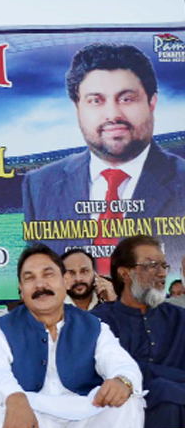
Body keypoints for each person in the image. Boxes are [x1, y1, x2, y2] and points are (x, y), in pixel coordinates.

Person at [22, 43, 185, 274]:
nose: (113, 115)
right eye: (95, 101)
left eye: (127, 99)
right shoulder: (40, 185)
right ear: (77, 107)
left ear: (152, 103)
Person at [0, 244, 144, 428]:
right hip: (31, 413)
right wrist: (14, 396)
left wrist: (122, 380)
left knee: (129, 400)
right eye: (30, 278)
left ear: (65, 281)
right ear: (20, 288)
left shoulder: (92, 324)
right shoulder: (3, 327)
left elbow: (123, 363)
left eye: (48, 275)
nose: (40, 285)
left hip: (83, 414)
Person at [92, 235, 185, 428]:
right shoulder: (98, 322)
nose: (162, 274)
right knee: (163, 391)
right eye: (152, 266)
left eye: (164, 266)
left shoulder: (180, 318)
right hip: (122, 425)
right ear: (125, 274)